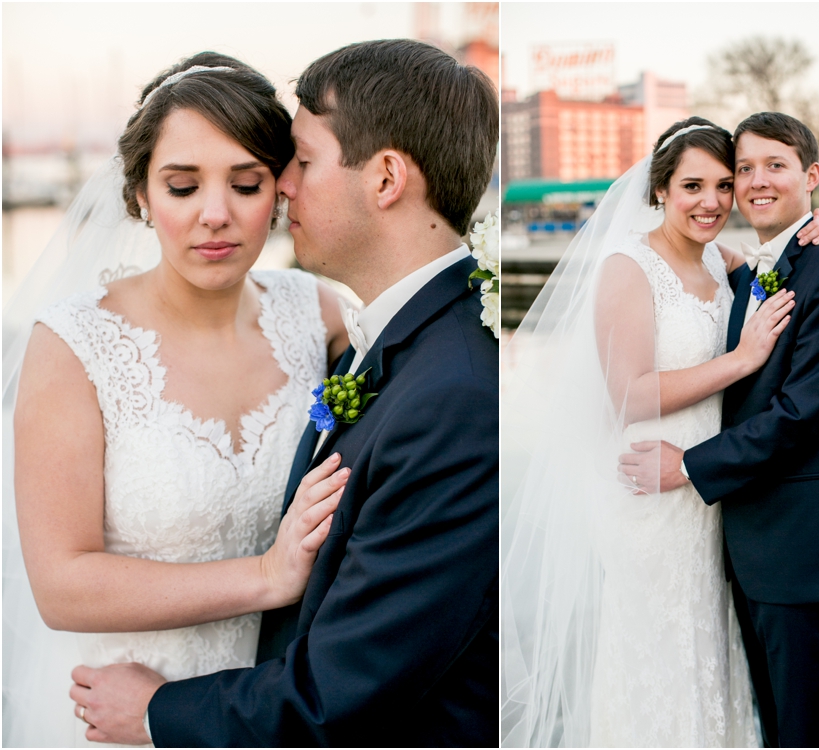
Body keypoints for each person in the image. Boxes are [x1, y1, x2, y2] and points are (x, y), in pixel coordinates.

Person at [70, 39, 500, 747]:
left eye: (300, 160)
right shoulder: (393, 335)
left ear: (386, 176)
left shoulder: (451, 392)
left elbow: (344, 690)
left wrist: (157, 713)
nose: (283, 187)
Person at [2, 53, 353, 747]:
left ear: (280, 190)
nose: (215, 216)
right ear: (138, 194)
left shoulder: (324, 319)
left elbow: (348, 450)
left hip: (274, 709)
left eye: (246, 184)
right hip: (117, 714)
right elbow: (61, 586)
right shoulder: (72, 347)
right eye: (183, 186)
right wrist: (264, 577)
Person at [500, 116, 819, 747]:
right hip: (650, 492)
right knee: (655, 656)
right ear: (660, 189)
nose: (713, 201)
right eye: (693, 185)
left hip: (713, 494)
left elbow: (793, 262)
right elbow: (627, 394)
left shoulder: (725, 262)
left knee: (713, 657)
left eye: (725, 183)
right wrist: (741, 360)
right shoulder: (627, 267)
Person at [625, 112, 819, 747]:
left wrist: (685, 465)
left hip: (807, 550)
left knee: (806, 731)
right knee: (772, 727)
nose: (755, 181)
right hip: (751, 546)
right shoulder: (757, 269)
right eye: (745, 169)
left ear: (811, 175)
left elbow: (799, 415)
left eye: (776, 165)